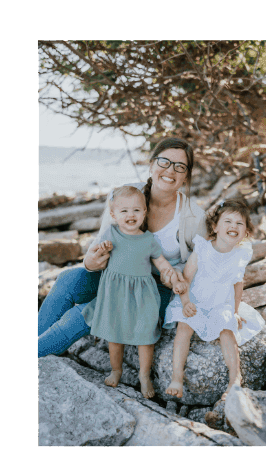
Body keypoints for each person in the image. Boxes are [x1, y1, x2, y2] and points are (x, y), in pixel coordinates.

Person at [38, 137, 207, 357]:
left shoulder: (194, 216)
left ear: (186, 175)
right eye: (164, 162)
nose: (170, 170)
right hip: (118, 276)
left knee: (89, 311)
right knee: (69, 279)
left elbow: (202, 267)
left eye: (180, 166)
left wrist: (177, 277)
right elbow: (99, 247)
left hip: (157, 290)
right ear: (152, 164)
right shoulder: (125, 195)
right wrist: (90, 262)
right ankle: (41, 344)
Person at [81, 186, 185, 398]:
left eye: (136, 210)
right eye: (124, 211)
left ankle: (144, 375)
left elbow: (162, 263)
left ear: (145, 212)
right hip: (115, 295)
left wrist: (172, 275)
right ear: (113, 215)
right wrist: (104, 248)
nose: (131, 215)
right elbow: (98, 254)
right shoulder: (111, 234)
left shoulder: (148, 240)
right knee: (114, 335)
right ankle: (116, 370)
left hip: (142, 296)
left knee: (145, 336)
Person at [164, 199, 264, 399]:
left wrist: (235, 312)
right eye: (228, 221)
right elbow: (185, 279)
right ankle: (177, 377)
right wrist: (185, 303)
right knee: (184, 327)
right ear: (215, 227)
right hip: (195, 299)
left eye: (239, 223)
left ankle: (235, 379)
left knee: (227, 329)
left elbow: (237, 284)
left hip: (220, 303)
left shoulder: (241, 254)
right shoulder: (203, 249)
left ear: (246, 231)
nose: (233, 227)